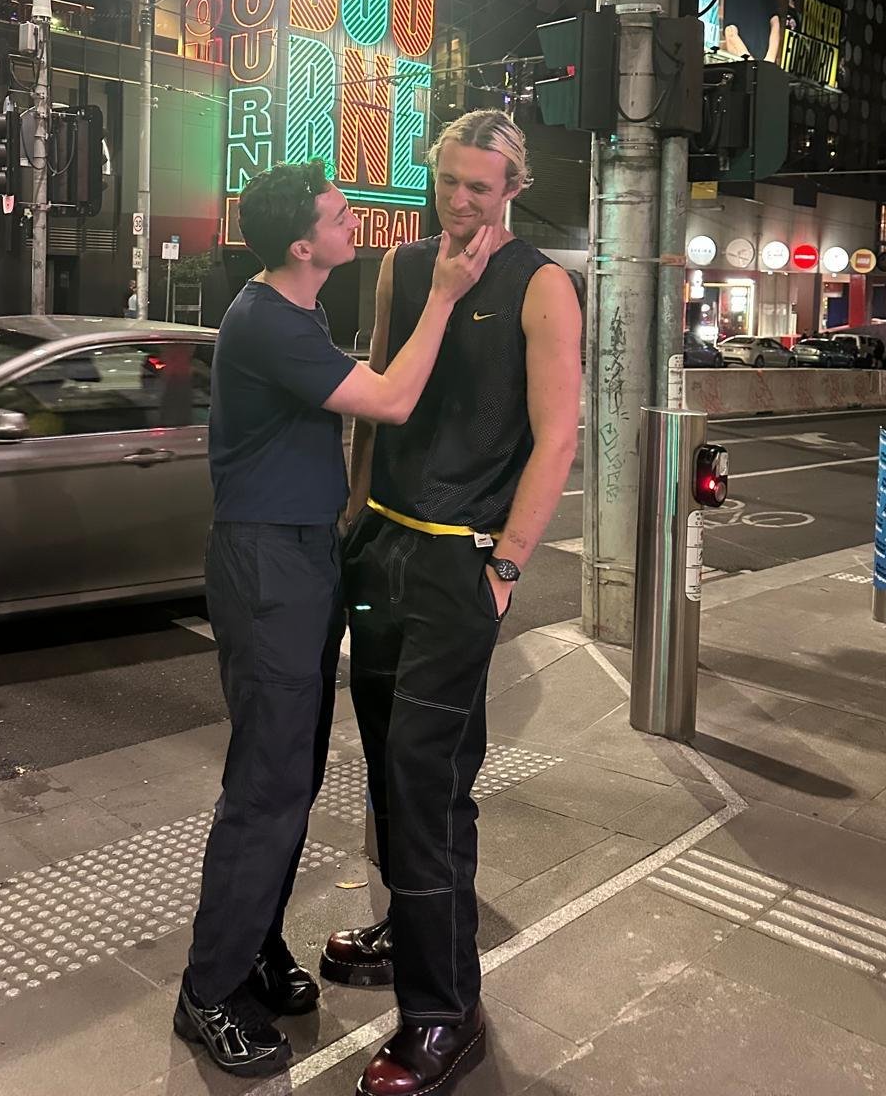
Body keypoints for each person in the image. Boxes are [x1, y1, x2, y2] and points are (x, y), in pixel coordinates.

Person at [174, 159, 495, 1080]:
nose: (358, 222)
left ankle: (254, 951)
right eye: (341, 213)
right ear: (301, 243)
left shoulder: (296, 310)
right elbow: (389, 401)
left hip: (305, 557)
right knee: (269, 786)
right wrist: (442, 298)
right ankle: (208, 992)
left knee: (295, 774)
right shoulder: (267, 319)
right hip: (268, 563)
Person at [322, 110, 581, 1096]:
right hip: (384, 547)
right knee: (394, 765)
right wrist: (355, 522)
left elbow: (556, 437)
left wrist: (507, 565)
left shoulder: (540, 284)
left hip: (460, 564)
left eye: (480, 185)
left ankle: (445, 1012)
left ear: (513, 185)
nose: (460, 200)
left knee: (426, 780)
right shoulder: (404, 268)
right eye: (449, 181)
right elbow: (386, 395)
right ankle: (409, 923)